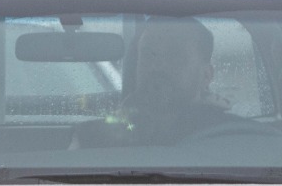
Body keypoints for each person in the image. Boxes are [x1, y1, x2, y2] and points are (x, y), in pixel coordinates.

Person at [75, 17, 240, 147]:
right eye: (148, 55)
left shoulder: (236, 139)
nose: (158, 66)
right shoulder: (94, 138)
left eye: (175, 55)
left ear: (206, 75)